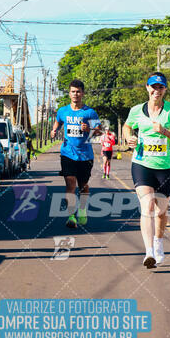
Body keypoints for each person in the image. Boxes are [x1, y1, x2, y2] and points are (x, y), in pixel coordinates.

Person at [123, 72, 170, 268]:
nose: (156, 90)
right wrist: (128, 137)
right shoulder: (136, 110)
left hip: (165, 168)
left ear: (165, 90)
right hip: (142, 164)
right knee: (147, 206)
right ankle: (149, 252)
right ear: (147, 88)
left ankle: (159, 242)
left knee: (161, 212)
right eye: (153, 87)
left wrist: (165, 131)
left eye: (160, 87)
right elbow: (127, 126)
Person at [50, 79, 102, 228]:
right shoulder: (63, 111)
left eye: (78, 91)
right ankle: (71, 216)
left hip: (85, 155)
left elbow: (99, 130)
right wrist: (54, 130)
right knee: (70, 183)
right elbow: (58, 122)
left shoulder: (89, 112)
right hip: (68, 153)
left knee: (83, 185)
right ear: (69, 93)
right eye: (73, 91)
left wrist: (89, 129)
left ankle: (82, 208)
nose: (75, 94)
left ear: (83, 93)